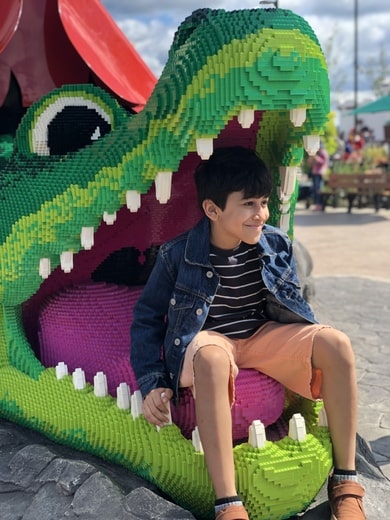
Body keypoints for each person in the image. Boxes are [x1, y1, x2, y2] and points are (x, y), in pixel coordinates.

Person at [130, 146, 366, 520]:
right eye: (250, 205)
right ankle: (228, 502)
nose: (261, 214)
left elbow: (292, 308)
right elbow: (146, 318)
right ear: (213, 209)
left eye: (264, 202)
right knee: (209, 357)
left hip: (261, 335)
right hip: (211, 340)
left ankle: (346, 481)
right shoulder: (177, 255)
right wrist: (151, 381)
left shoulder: (275, 245)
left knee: (336, 343)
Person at [308, 142, 329, 210]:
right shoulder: (317, 152)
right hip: (315, 173)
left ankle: (319, 204)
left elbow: (324, 162)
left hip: (319, 173)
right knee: (315, 189)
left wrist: (317, 158)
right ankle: (317, 204)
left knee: (318, 189)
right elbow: (311, 163)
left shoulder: (323, 152)